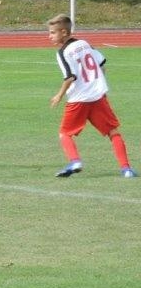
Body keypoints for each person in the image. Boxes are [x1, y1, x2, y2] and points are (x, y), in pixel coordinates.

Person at [47, 14, 136, 178]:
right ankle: (126, 169)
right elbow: (101, 64)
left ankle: (75, 161)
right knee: (113, 132)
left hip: (78, 100)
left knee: (65, 134)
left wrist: (59, 95)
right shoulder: (84, 43)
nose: (49, 36)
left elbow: (70, 77)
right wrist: (96, 84)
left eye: (53, 32)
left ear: (64, 32)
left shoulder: (63, 52)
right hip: (97, 96)